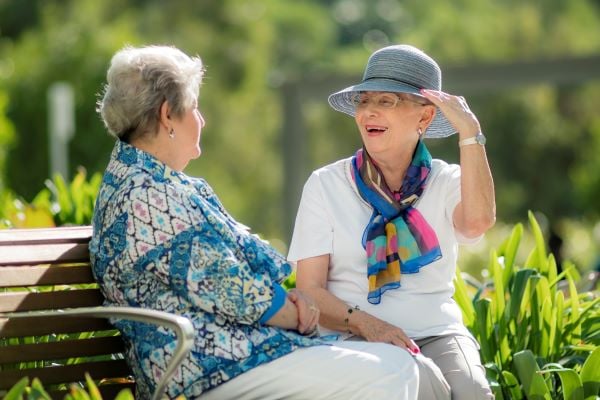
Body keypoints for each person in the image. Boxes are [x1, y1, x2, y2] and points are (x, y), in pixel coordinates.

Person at [90, 45, 421, 400]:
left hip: (235, 355)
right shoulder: (147, 195)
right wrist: (295, 311)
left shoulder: (149, 182)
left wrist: (291, 304)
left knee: (393, 361)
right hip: (208, 367)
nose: (201, 120)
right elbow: (229, 287)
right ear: (168, 114)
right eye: (196, 108)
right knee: (391, 370)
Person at [288, 44, 496, 399]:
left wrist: (470, 133)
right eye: (363, 100)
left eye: (386, 101)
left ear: (425, 117)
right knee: (415, 387)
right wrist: (372, 326)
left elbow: (477, 223)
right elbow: (309, 290)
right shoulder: (326, 184)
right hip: (352, 335)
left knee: (472, 392)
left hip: (437, 333)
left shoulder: (446, 180)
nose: (368, 112)